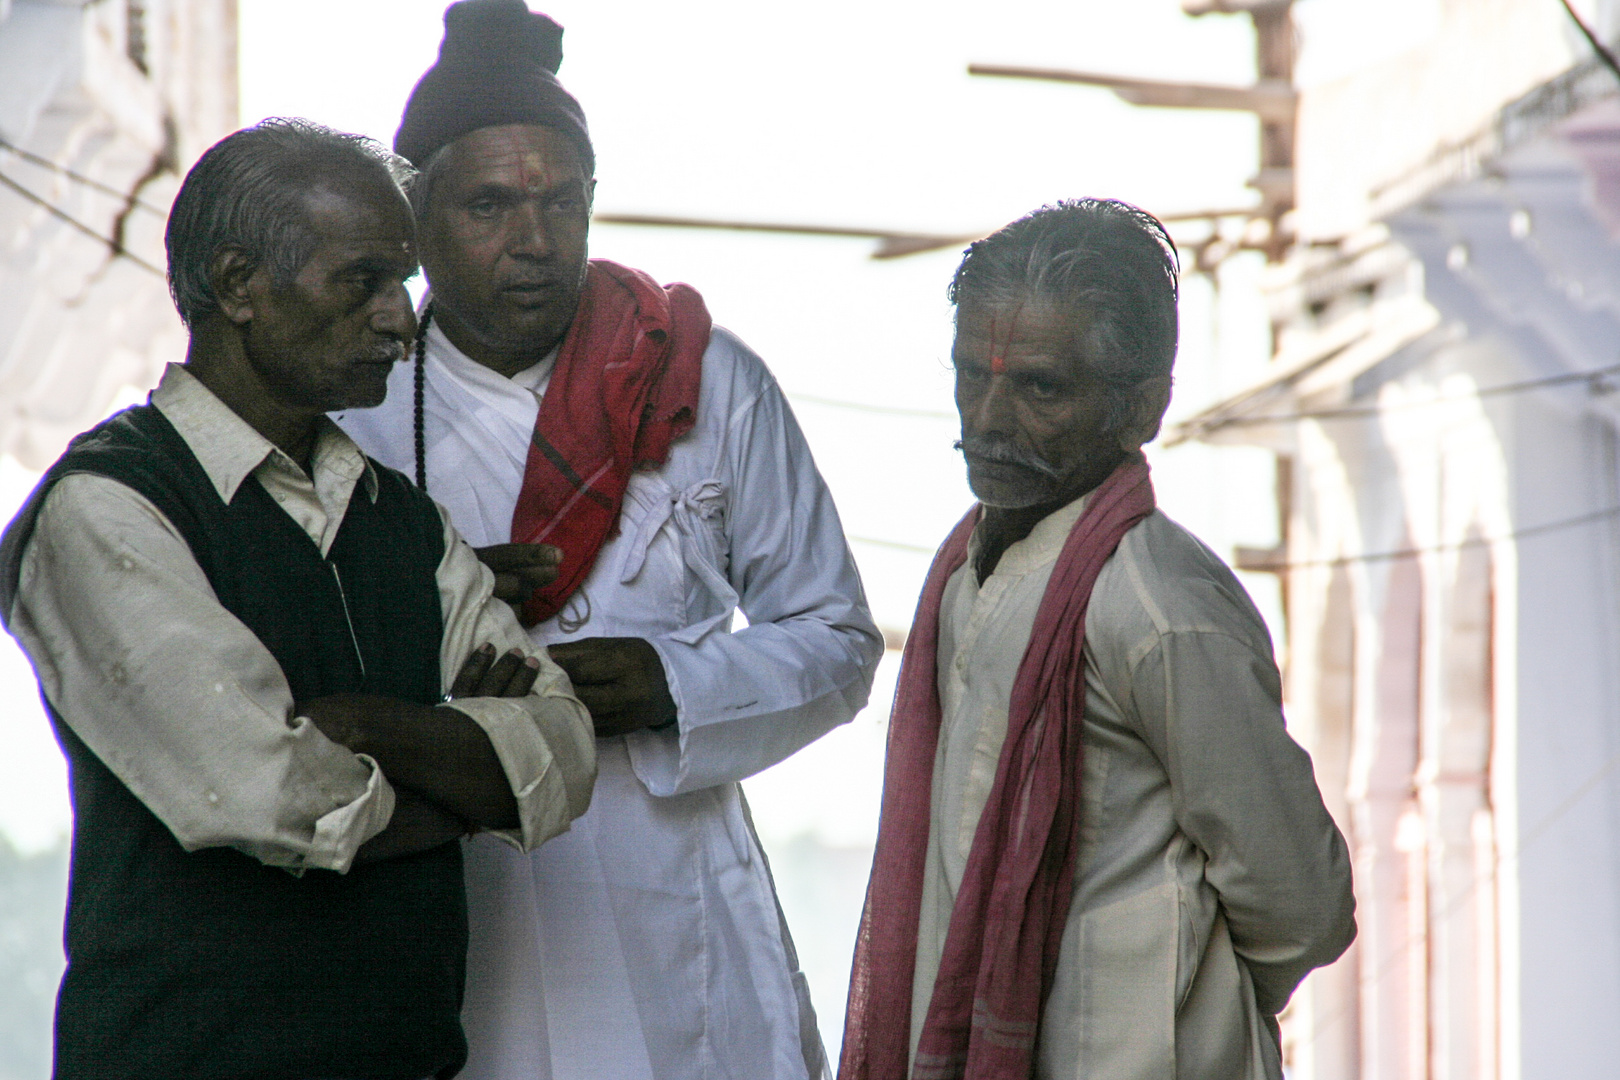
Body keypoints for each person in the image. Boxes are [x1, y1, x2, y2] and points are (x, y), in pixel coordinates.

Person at [335, 3, 884, 1078]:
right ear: (416, 216)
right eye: (490, 204)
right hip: (456, 882)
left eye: (561, 202)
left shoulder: (706, 379)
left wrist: (670, 683)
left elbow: (838, 639)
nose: (532, 241)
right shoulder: (352, 395)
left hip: (664, 883)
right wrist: (428, 607)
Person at [0, 119, 597, 1080]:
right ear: (238, 285)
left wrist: (371, 728)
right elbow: (268, 797)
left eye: (400, 283)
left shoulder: (402, 523)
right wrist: (471, 775)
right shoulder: (107, 509)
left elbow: (564, 753)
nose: (402, 319)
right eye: (364, 280)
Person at [838, 200, 1356, 1080]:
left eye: (1039, 387)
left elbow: (1302, 905)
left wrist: (1176, 991)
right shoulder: (965, 575)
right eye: (973, 375)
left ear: (1141, 408)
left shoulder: (1158, 603)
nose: (990, 416)